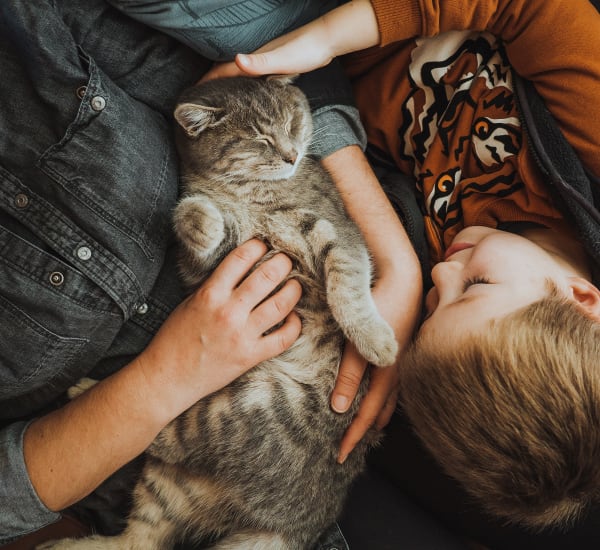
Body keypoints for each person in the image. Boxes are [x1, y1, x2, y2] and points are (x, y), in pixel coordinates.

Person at [0, 1, 422, 547]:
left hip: (322, 404)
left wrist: (395, 264)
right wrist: (161, 385)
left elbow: (264, 55)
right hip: (165, 464)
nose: (292, 152)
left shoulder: (32, 31)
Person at [206, 0, 600, 543]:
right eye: (476, 286)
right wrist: (327, 36)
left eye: (435, 308)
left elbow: (329, 134)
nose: (441, 277)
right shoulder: (588, 150)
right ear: (582, 298)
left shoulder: (446, 253)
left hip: (310, 66)